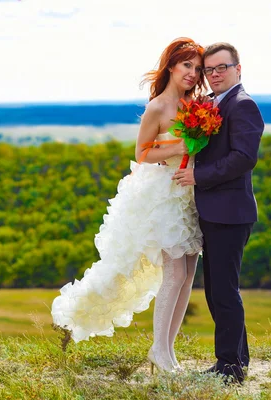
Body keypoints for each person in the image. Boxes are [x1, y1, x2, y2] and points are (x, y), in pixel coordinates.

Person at [51, 37, 205, 373]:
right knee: (175, 270)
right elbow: (143, 153)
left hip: (188, 194)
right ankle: (158, 353)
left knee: (189, 273)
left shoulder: (195, 105)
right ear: (171, 66)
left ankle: (166, 351)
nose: (192, 73)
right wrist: (181, 145)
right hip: (161, 195)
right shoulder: (157, 108)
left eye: (197, 67)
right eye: (186, 65)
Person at [173, 42, 264, 383]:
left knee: (224, 291)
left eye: (221, 68)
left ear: (238, 69)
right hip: (213, 211)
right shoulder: (213, 103)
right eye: (209, 70)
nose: (214, 75)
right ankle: (237, 358)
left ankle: (229, 367)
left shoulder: (243, 105)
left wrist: (198, 176)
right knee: (216, 290)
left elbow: (244, 158)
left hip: (230, 212)